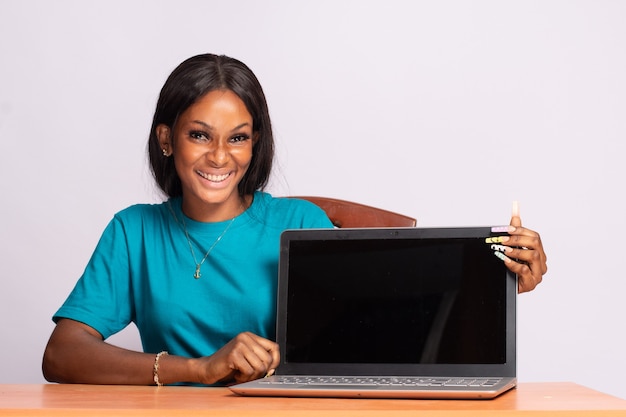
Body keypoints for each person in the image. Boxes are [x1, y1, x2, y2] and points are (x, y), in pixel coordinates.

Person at [42, 53, 548, 387]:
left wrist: (500, 280)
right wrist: (199, 367)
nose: (220, 156)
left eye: (238, 137)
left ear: (254, 143)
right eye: (200, 135)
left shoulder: (300, 223)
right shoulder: (134, 231)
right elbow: (61, 355)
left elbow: (390, 321)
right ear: (167, 140)